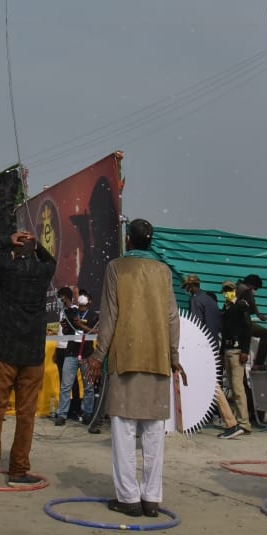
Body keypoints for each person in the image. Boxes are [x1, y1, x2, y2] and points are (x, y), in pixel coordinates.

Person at [86, 218, 186, 519]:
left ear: (129, 239)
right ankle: (151, 498)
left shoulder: (116, 268)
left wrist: (98, 356)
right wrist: (172, 355)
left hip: (125, 356)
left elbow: (110, 316)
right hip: (157, 358)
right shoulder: (163, 272)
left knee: (124, 430)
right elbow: (172, 318)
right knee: (154, 431)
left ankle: (128, 498)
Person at [0, 230, 56, 487]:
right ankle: (18, 471)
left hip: (5, 349)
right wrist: (36, 245)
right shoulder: (44, 273)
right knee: (26, 414)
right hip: (32, 353)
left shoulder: (7, 269)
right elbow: (51, 261)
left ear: (16, 251)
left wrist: (7, 240)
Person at [181, 273, 242, 439]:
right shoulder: (211, 300)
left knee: (208, 384)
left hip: (201, 346)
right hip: (214, 344)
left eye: (187, 287)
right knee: (207, 383)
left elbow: (196, 325)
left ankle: (230, 422)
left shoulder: (195, 300)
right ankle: (201, 419)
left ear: (190, 287)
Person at [54, 291, 99, 425]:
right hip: (71, 353)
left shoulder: (93, 316)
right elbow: (67, 331)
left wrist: (80, 325)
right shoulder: (71, 313)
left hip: (87, 354)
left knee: (88, 386)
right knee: (66, 385)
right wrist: (66, 327)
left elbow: (95, 332)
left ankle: (87, 414)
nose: (82, 297)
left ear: (89, 301)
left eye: (85, 296)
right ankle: (62, 414)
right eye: (81, 295)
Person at [220, 279, 252, 435]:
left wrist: (245, 350)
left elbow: (248, 328)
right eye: (225, 289)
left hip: (237, 350)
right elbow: (224, 332)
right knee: (232, 388)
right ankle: (236, 420)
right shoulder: (226, 308)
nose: (227, 291)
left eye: (229, 288)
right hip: (227, 350)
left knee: (238, 388)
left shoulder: (241, 305)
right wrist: (221, 353)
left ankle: (244, 423)